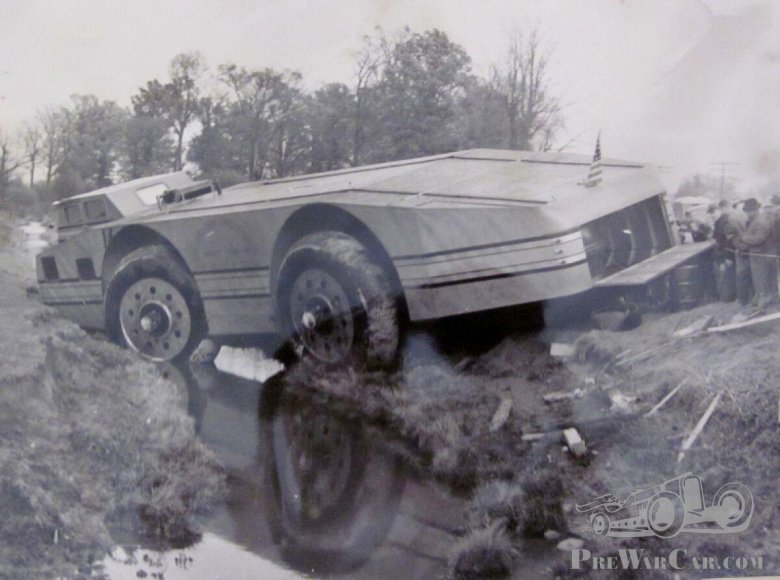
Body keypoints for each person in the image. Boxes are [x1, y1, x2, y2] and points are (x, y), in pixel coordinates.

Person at [734, 198, 778, 315]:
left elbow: (759, 238)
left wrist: (744, 238)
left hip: (762, 256)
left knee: (762, 281)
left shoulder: (761, 221)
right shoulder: (755, 220)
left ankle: (763, 307)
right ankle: (769, 303)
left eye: (749, 211)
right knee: (764, 282)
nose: (747, 213)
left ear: (755, 210)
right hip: (759, 255)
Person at [711, 199, 746, 302]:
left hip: (733, 251)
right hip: (742, 247)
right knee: (742, 274)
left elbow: (728, 240)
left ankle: (733, 297)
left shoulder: (727, 219)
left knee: (734, 275)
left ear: (723, 208)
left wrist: (728, 256)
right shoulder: (741, 214)